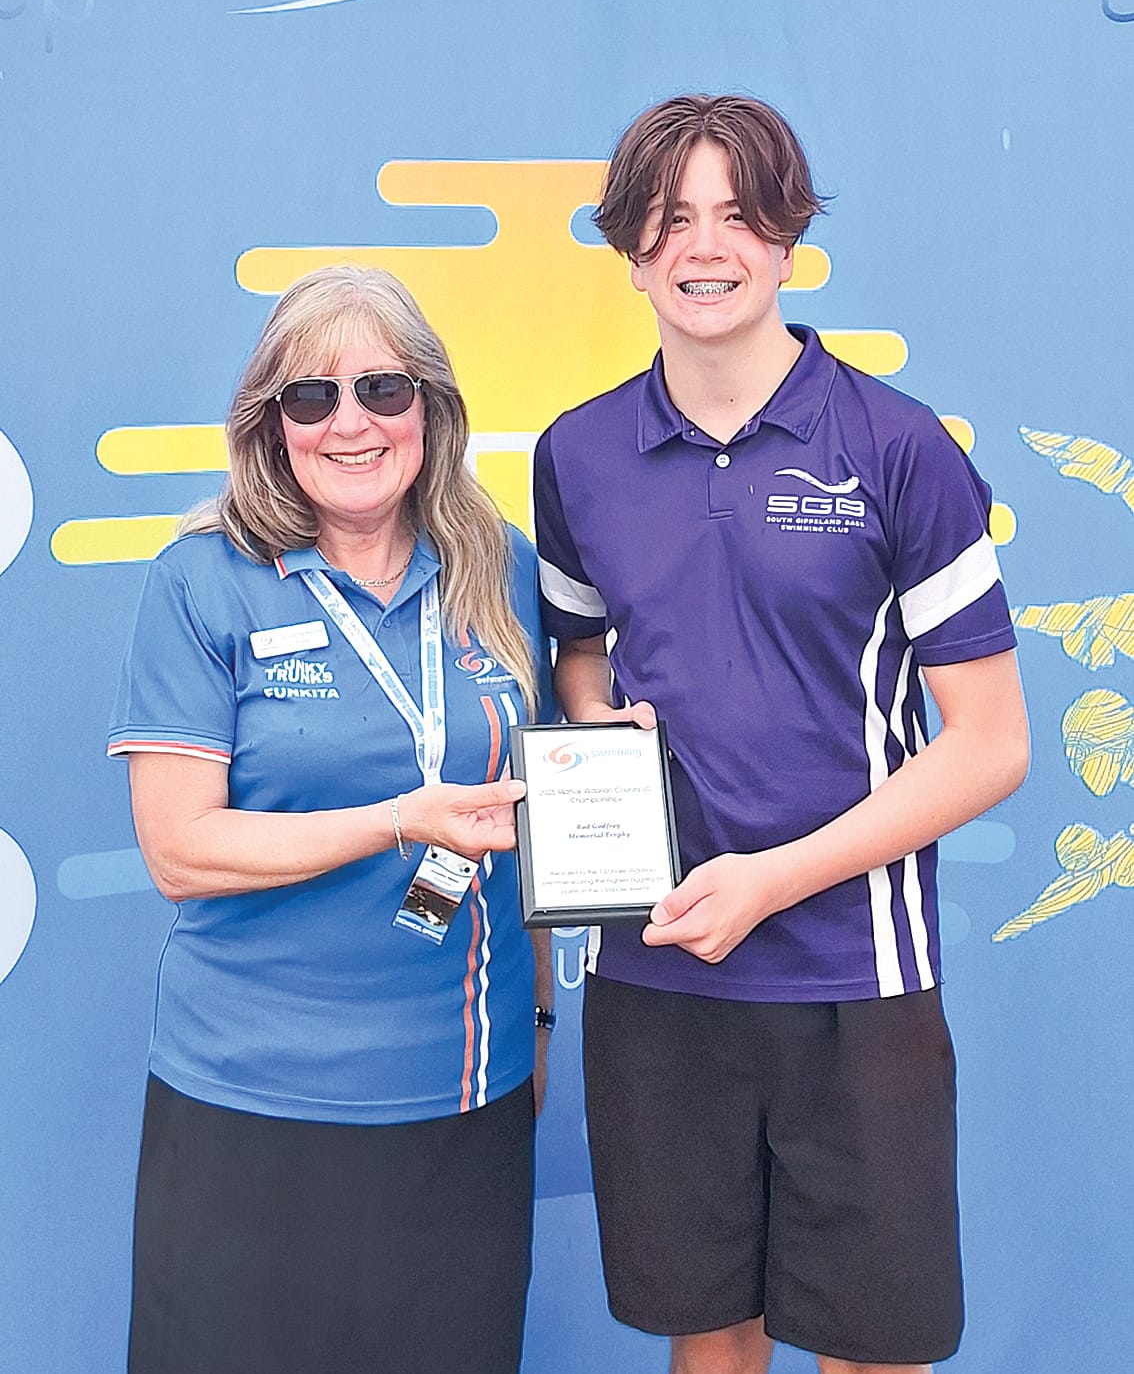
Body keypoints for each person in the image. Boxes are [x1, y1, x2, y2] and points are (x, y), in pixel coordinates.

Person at [533, 94, 1029, 1374]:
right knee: (712, 1337)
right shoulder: (578, 454)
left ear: (791, 241)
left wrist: (772, 881)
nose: (707, 246)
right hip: (660, 973)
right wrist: (599, 727)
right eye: (672, 216)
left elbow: (988, 744)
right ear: (629, 246)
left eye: (740, 215)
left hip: (852, 975)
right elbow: (579, 656)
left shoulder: (900, 445)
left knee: (876, 1346)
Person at [107, 265, 554, 1374]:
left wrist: (539, 1025)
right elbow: (179, 848)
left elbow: (526, 818)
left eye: (383, 391)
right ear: (271, 425)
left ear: (432, 411)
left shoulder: (503, 572)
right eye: (311, 398)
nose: (350, 423)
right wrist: (399, 819)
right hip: (249, 1097)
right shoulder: (204, 580)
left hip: (459, 1097)